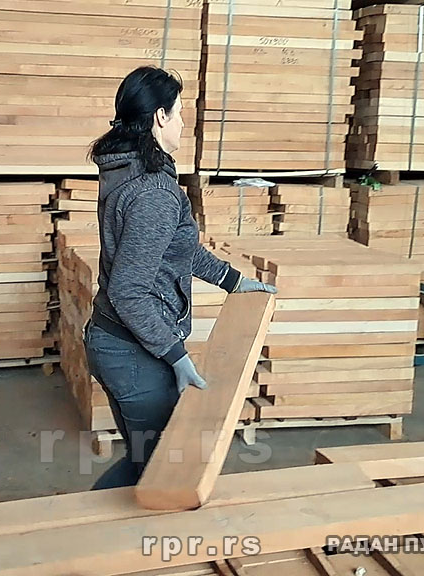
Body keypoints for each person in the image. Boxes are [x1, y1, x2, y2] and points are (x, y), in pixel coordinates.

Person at [84, 67, 277, 490]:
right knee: (162, 472)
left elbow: (175, 249)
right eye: (180, 112)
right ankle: (85, 525)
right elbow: (129, 291)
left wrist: (233, 281)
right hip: (133, 353)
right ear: (160, 116)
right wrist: (177, 356)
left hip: (115, 341)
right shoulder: (153, 191)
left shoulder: (128, 168)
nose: (184, 123)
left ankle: (84, 521)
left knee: (145, 463)